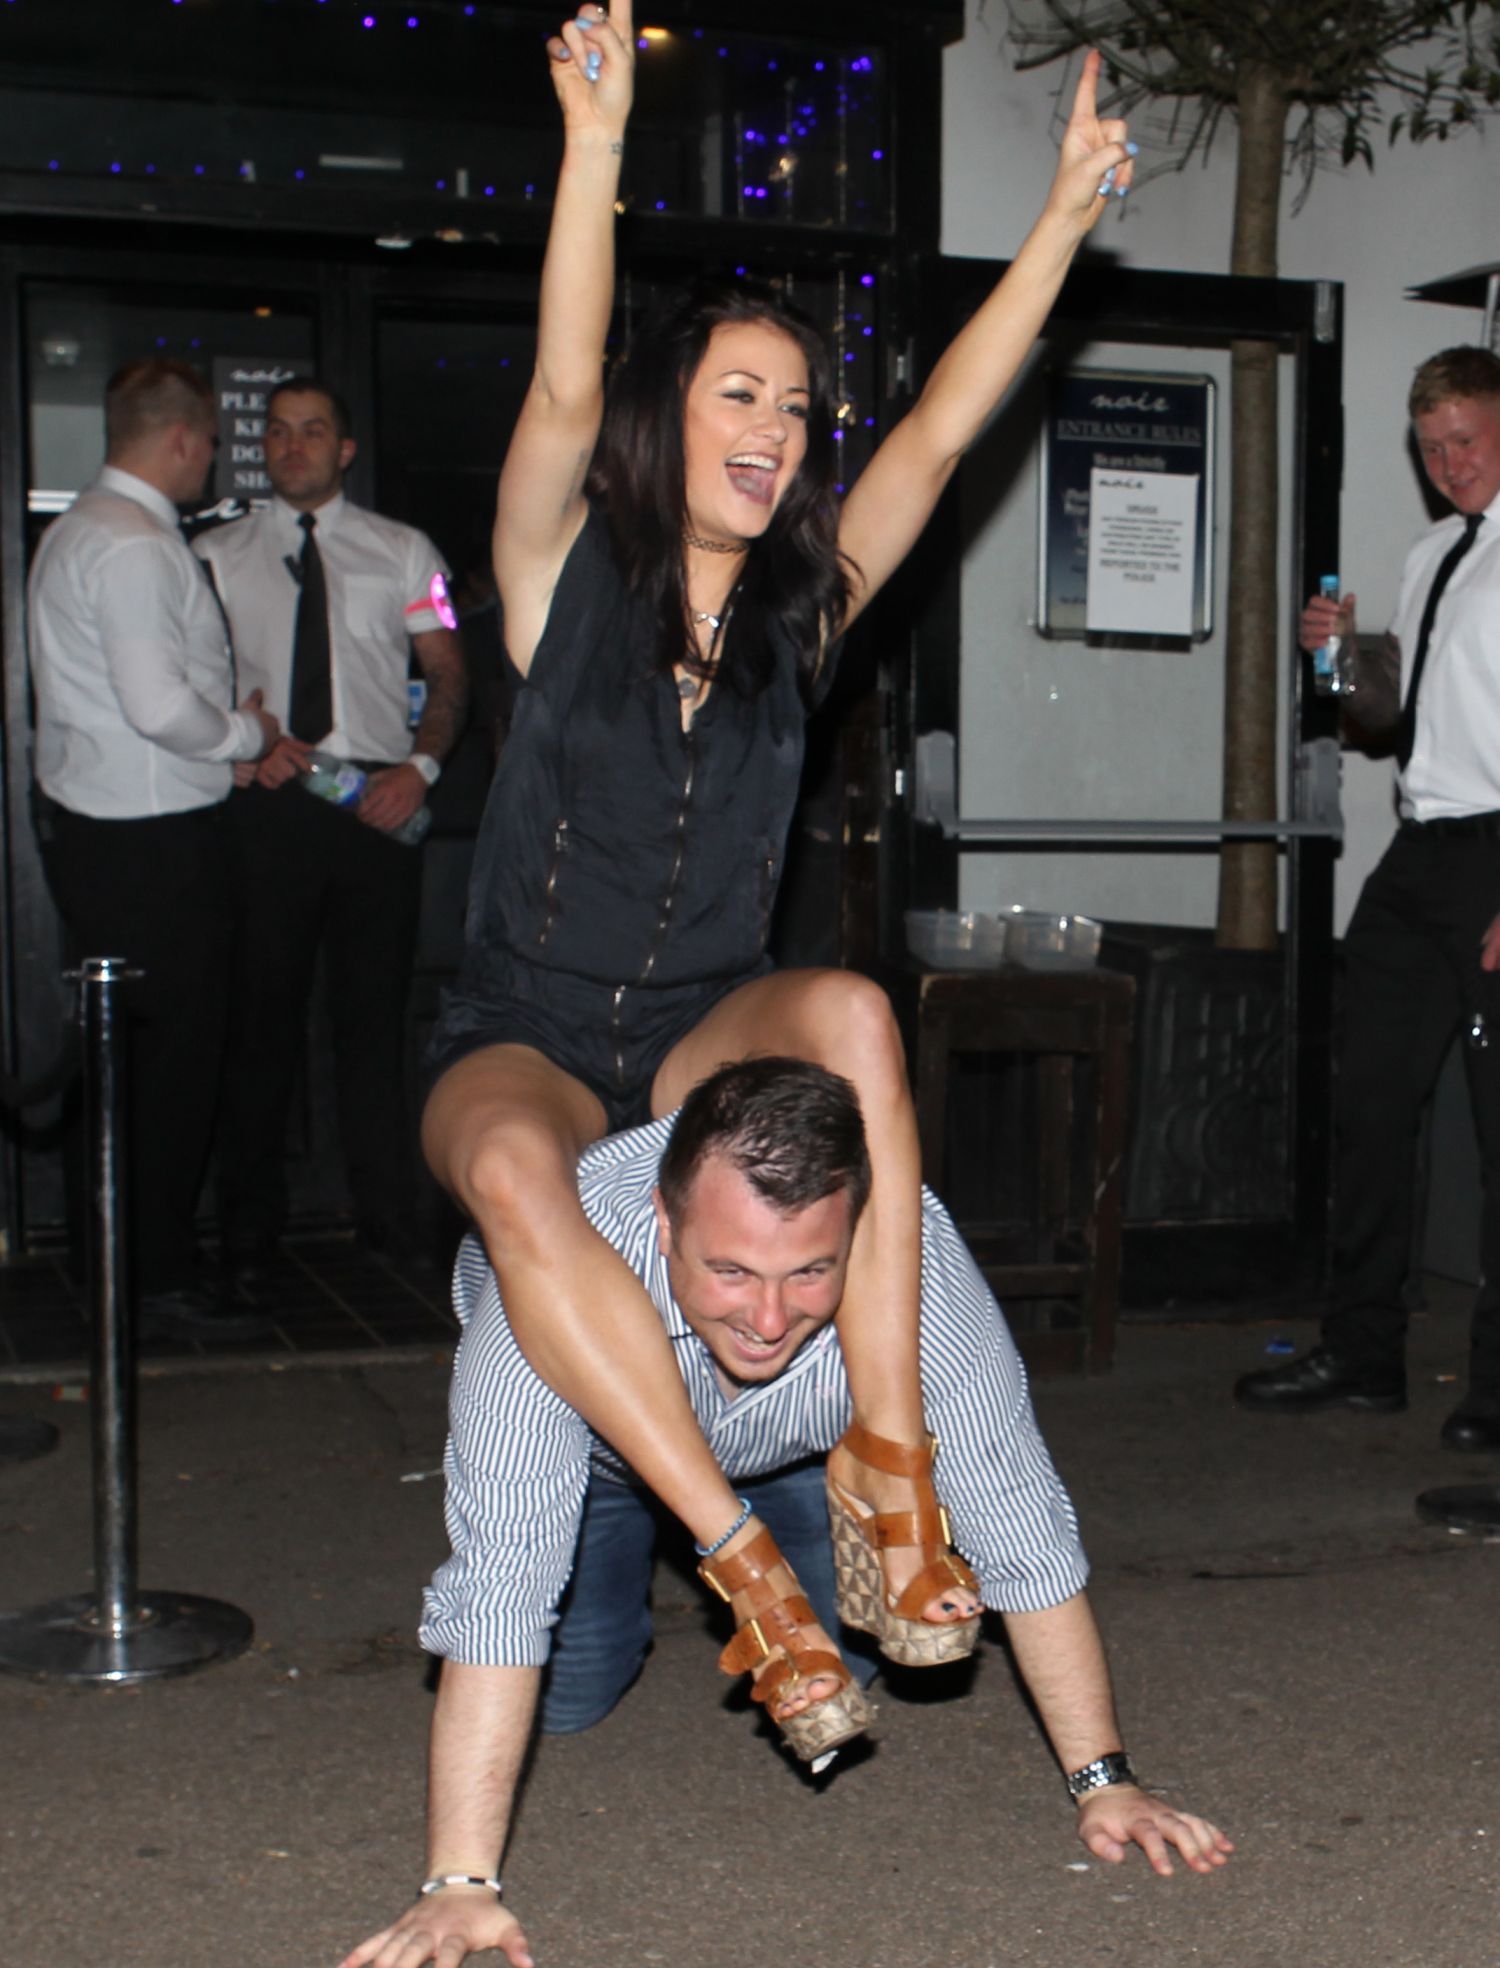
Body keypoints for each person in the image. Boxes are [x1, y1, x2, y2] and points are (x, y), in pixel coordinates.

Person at [420, 0, 1136, 1762]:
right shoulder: (560, 575)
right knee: (513, 1174)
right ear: (672, 416)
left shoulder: (797, 621)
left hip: (695, 1024)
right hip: (525, 1020)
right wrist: (595, 149)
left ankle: (885, 1468)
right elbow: (563, 384)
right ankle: (734, 1553)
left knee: (854, 1014)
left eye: (798, 407)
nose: (777, 426)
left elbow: (942, 438)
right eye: (738, 393)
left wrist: (1059, 223)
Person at [337, 1058, 1232, 1968]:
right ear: (663, 1222)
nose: (768, 1318)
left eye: (810, 1271)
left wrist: (1106, 1780)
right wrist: (459, 1883)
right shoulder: (546, 1289)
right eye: (730, 1270)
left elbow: (1022, 1529)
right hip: (599, 1461)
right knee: (569, 1689)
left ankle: (802, 1508)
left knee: (855, 1663)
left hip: (800, 1450)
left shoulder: (916, 1268)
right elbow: (499, 1589)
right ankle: (636, 1553)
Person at [1236, 346, 1500, 1452]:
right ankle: (1363, 1351)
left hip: (1495, 851)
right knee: (1370, 1100)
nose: (1448, 464)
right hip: (1421, 848)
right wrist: (1339, 660)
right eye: (1431, 447)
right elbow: (1385, 721)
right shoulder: (1434, 552)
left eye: (1466, 440)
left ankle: (1497, 1388)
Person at [29, 358, 279, 1341]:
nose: (211, 456)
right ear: (179, 438)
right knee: (173, 1065)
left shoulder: (79, 529)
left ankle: (118, 1262)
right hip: (152, 843)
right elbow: (159, 707)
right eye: (210, 440)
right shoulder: (133, 543)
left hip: (109, 832)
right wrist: (247, 733)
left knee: (125, 1063)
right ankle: (159, 1280)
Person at [196, 379, 469, 1275]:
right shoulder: (215, 553)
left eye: (313, 431)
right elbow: (190, 681)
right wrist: (236, 750)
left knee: (373, 1021)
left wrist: (420, 769)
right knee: (258, 1021)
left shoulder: (406, 550)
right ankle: (248, 1227)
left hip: (373, 805)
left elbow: (448, 667)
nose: (293, 446)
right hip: (268, 805)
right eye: (278, 432)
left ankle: (388, 1216)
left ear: (345, 450)